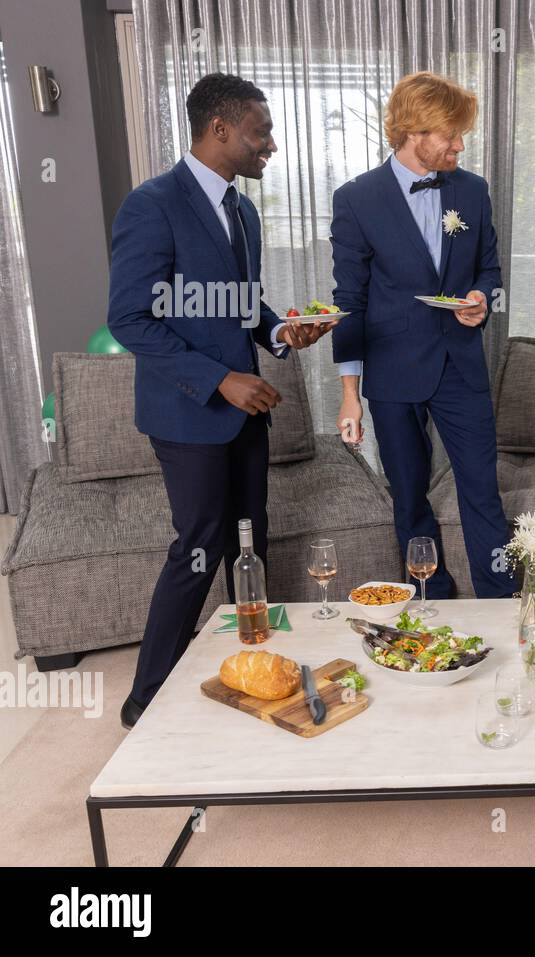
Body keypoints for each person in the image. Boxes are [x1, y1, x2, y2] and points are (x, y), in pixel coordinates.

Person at [108, 73, 335, 729]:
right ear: (221, 130)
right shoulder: (151, 206)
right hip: (188, 414)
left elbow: (240, 305)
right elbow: (131, 318)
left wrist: (282, 333)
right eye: (261, 132)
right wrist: (219, 380)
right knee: (200, 544)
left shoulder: (243, 210)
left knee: (250, 541)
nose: (269, 146)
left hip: (247, 413)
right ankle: (145, 697)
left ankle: (250, 666)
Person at [331, 72, 514, 599]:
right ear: (415, 132)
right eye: (451, 134)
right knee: (408, 495)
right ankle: (432, 602)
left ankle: (501, 600)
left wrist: (480, 301)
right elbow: (350, 302)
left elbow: (489, 271)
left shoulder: (472, 191)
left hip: (460, 366)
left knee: (483, 491)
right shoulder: (356, 199)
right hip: (391, 371)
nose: (460, 144)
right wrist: (350, 393)